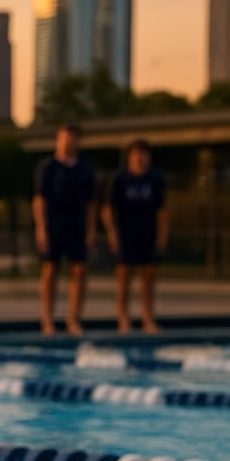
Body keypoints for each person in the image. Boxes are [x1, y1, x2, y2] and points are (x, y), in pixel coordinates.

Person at [33, 123, 98, 336]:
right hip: (54, 224)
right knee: (50, 270)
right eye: (64, 138)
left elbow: (90, 204)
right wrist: (41, 228)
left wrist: (90, 230)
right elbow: (39, 199)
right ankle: (47, 320)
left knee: (79, 271)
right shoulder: (48, 167)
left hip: (76, 225)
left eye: (72, 138)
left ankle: (73, 319)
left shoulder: (84, 169)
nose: (68, 142)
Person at [102, 139, 169, 335]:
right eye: (136, 153)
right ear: (130, 156)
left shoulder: (155, 179)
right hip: (125, 234)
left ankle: (148, 318)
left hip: (147, 233)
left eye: (143, 153)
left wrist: (162, 237)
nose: (140, 157)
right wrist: (112, 233)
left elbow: (162, 210)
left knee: (148, 277)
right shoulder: (119, 179)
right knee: (124, 277)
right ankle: (123, 318)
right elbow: (107, 210)